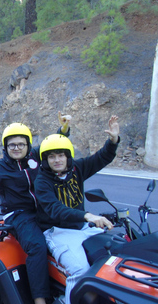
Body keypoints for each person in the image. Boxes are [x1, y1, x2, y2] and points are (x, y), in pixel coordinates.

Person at [0, 112, 72, 304]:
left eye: (21, 144)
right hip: (18, 215)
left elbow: (54, 146)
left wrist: (63, 130)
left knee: (74, 229)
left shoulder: (35, 156)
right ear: (5, 147)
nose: (17, 148)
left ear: (28, 145)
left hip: (44, 209)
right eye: (12, 144)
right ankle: (40, 297)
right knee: (37, 246)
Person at [34, 115, 119, 304]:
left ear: (68, 156)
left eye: (61, 155)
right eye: (52, 157)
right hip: (57, 232)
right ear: (46, 160)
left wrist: (113, 141)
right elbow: (55, 210)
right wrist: (87, 215)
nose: (57, 160)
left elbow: (102, 157)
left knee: (112, 259)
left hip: (81, 228)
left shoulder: (77, 169)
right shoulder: (42, 181)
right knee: (80, 271)